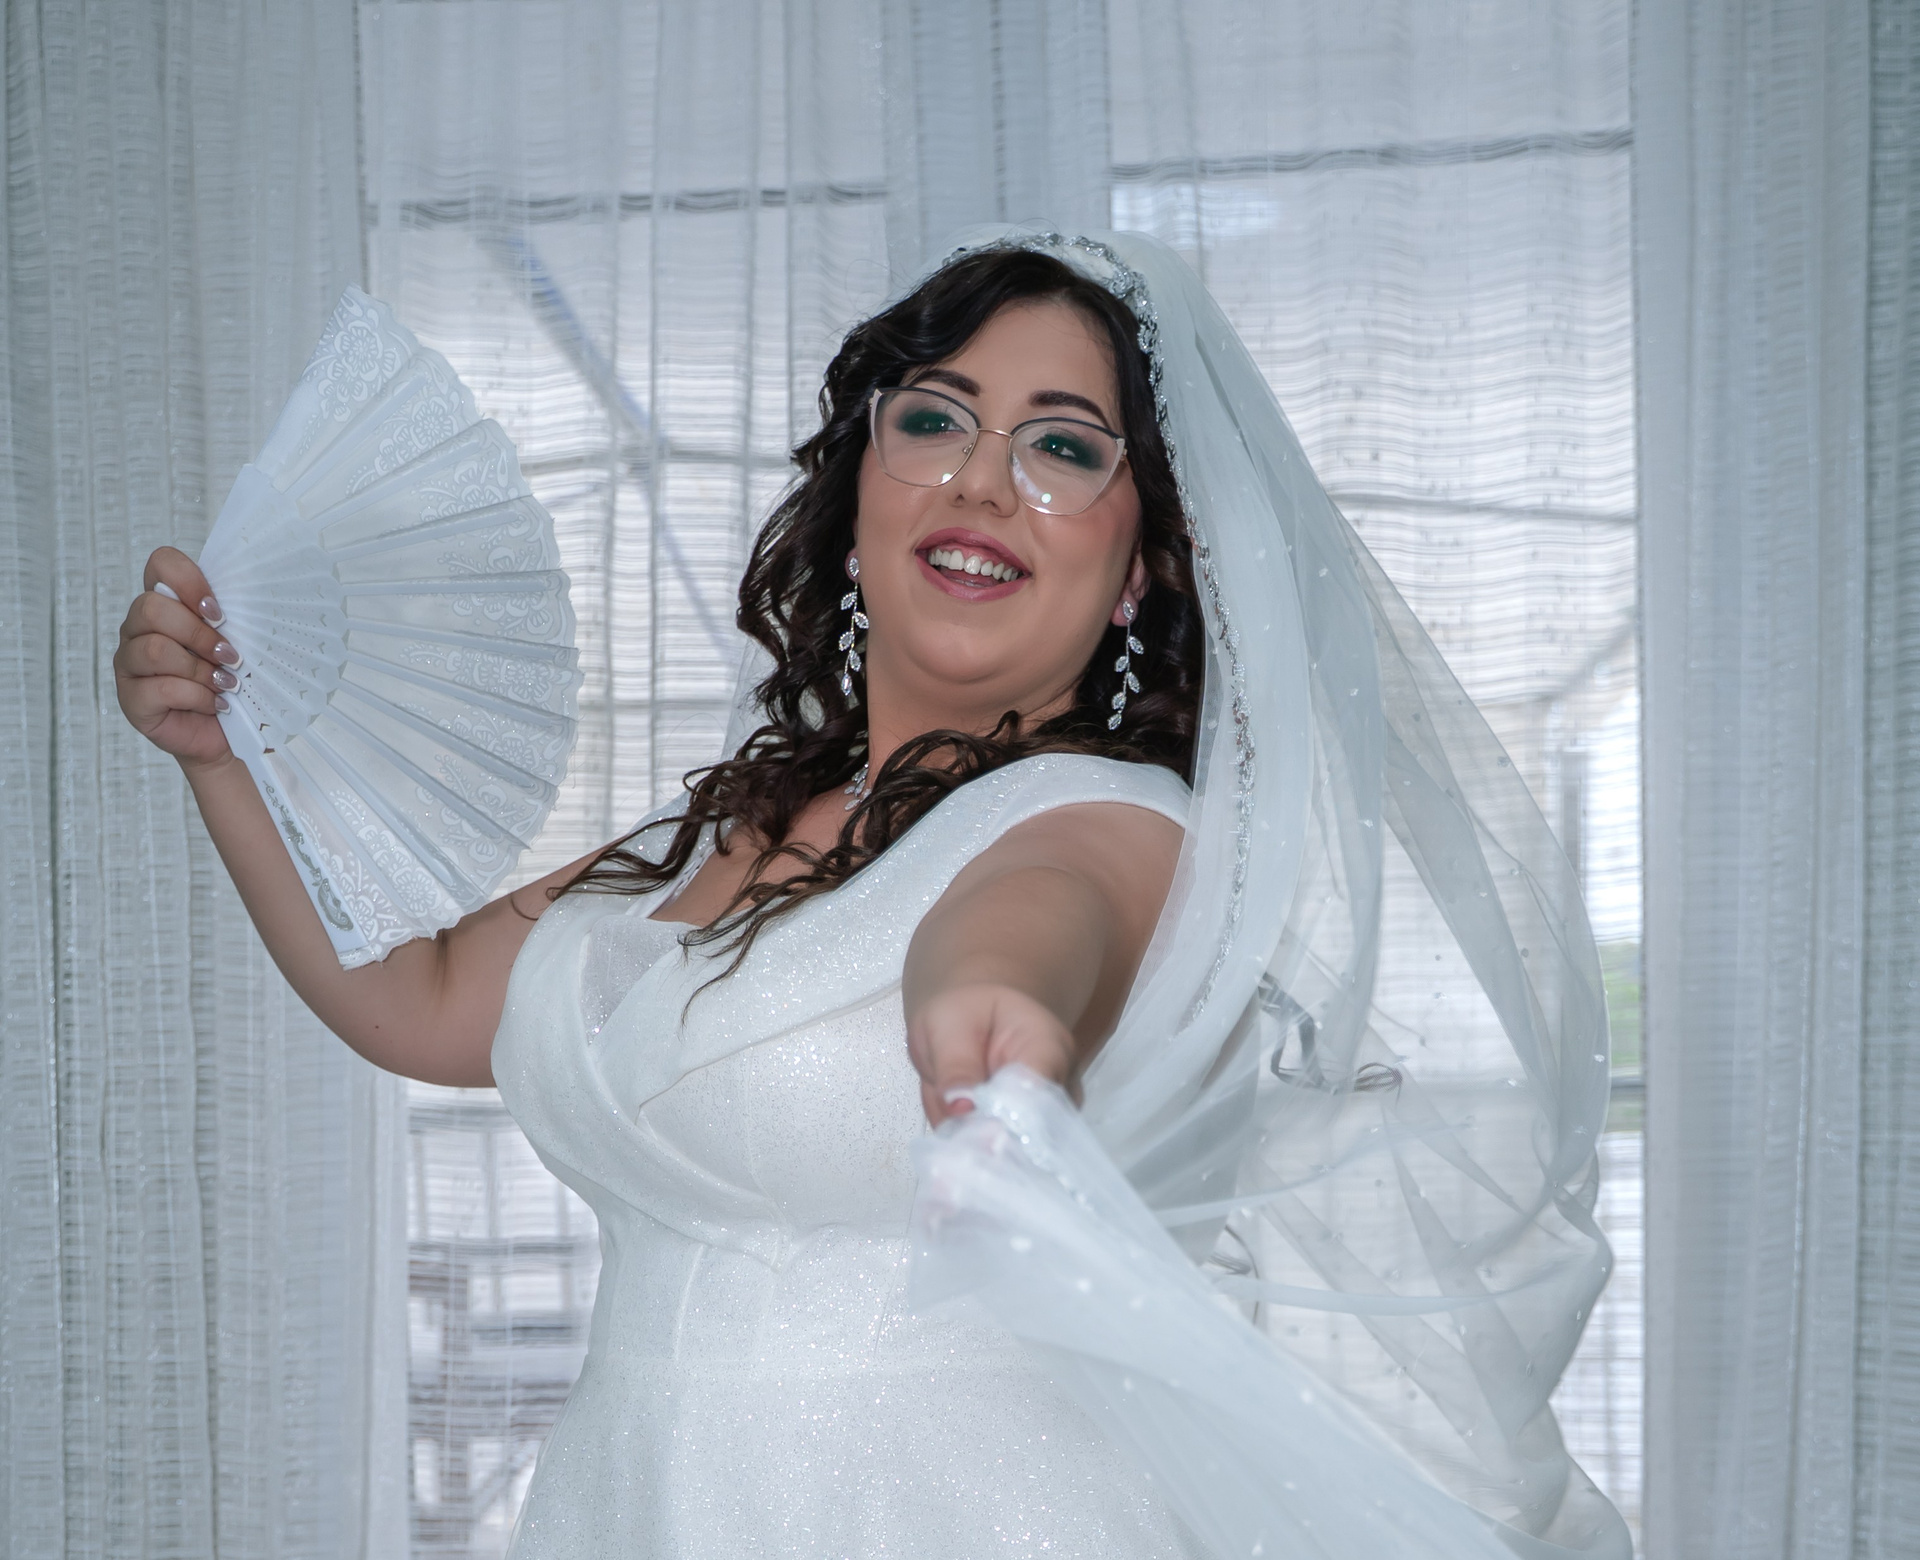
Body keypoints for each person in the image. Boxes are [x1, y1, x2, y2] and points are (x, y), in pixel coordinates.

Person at [114, 229, 1630, 1559]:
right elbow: (420, 1000)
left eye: (1064, 448)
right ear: (861, 494)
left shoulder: (1121, 824)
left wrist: (994, 1015)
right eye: (935, 419)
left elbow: (1031, 914)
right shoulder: (717, 831)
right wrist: (219, 756)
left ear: (1144, 569)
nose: (982, 478)